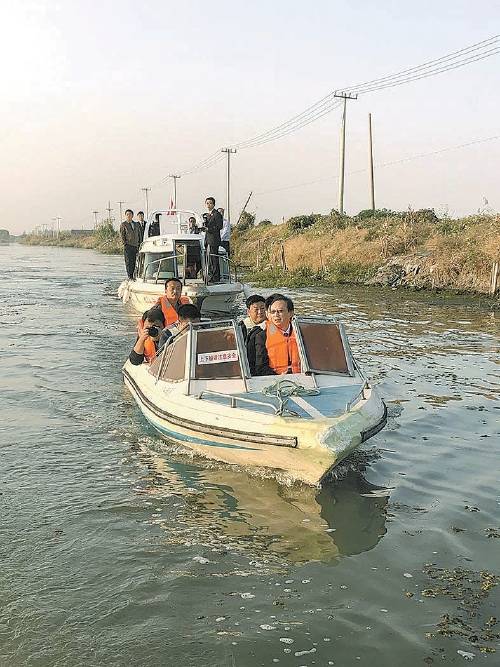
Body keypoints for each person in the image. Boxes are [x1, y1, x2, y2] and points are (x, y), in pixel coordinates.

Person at [252, 294, 301, 376]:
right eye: (273, 312)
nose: (276, 315)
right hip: (275, 380)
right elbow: (260, 368)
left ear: (291, 313)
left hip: (303, 378)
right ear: (269, 315)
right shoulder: (261, 336)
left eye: (280, 311)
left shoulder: (302, 333)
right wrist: (278, 377)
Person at [203, 197, 223, 283]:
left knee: (214, 259)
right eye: (207, 203)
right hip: (208, 239)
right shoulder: (207, 214)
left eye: (210, 203)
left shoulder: (217, 214)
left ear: (214, 204)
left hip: (214, 240)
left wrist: (209, 229)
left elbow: (219, 226)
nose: (208, 205)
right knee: (210, 260)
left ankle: (216, 277)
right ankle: (211, 275)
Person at [120, 209, 142, 279]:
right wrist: (125, 244)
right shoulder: (123, 224)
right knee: (129, 262)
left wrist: (140, 243)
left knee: (135, 261)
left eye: (130, 214)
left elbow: (139, 234)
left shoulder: (136, 224)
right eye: (127, 214)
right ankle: (130, 276)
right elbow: (122, 235)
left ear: (132, 215)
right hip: (128, 246)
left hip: (136, 246)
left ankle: (135, 275)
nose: (129, 216)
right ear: (125, 216)